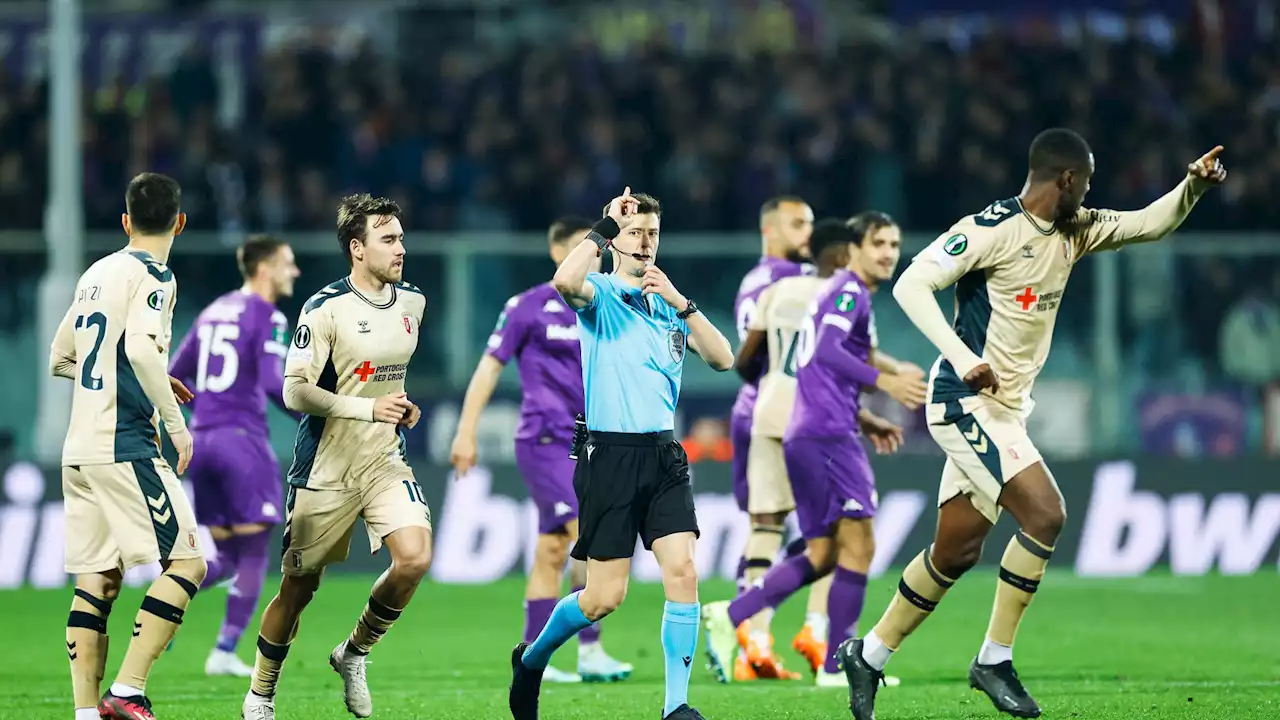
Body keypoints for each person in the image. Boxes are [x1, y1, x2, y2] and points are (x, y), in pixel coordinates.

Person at [840, 131, 1227, 720]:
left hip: (1007, 409)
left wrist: (1192, 187)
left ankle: (867, 654)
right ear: (1065, 179)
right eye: (1088, 181)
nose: (1092, 192)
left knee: (956, 549)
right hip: (963, 400)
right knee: (1047, 513)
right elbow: (913, 282)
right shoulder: (992, 228)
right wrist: (963, 356)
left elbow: (1150, 223)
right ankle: (993, 659)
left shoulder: (1077, 228)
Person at [508, 188, 735, 720]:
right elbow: (565, 281)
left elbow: (723, 359)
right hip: (608, 456)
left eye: (652, 233)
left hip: (663, 454)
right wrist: (605, 226)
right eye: (636, 233)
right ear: (616, 241)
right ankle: (534, 658)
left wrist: (682, 302)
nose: (646, 243)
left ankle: (676, 705)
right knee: (602, 597)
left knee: (682, 571)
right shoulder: (602, 294)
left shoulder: (669, 303)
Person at [703, 217, 926, 689]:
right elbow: (825, 352)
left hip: (812, 428)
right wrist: (882, 381)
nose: (888, 253)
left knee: (824, 551)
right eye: (878, 244)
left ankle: (732, 613)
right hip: (825, 435)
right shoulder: (849, 293)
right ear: (852, 250)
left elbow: (810, 365)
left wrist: (865, 417)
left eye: (895, 245)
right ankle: (839, 665)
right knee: (859, 544)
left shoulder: (831, 293)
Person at [241, 194, 430, 720]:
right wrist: (369, 410)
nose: (400, 248)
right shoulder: (324, 309)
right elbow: (294, 391)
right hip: (325, 467)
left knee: (414, 556)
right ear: (356, 247)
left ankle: (354, 653)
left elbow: (383, 377)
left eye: (400, 237)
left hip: (383, 461)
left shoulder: (412, 302)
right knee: (298, 589)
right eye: (388, 240)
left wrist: (399, 408)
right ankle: (261, 692)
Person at [49, 172, 207, 720]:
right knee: (188, 564)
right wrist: (176, 422)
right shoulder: (156, 275)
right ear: (180, 223)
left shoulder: (97, 272)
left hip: (78, 448)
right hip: (126, 444)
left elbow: (60, 355)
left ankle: (86, 714)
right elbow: (140, 349)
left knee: (97, 582)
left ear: (125, 222)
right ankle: (128, 690)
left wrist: (134, 378)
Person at [450, 216, 634, 684]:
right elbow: (490, 367)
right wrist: (465, 431)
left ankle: (536, 652)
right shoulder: (527, 307)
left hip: (596, 441)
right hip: (546, 439)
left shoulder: (605, 303)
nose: (594, 255)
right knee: (585, 536)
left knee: (554, 548)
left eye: (598, 249)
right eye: (583, 248)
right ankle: (586, 650)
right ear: (559, 254)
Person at [168, 234, 300, 677]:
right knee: (254, 551)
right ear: (264, 268)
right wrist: (316, 413)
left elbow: (173, 375)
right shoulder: (269, 316)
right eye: (287, 264)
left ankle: (160, 603)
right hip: (241, 441)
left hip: (202, 440)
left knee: (223, 558)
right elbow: (270, 382)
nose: (294, 272)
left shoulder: (212, 312)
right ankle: (223, 651)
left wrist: (203, 413)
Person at [727, 196, 818, 681]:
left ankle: (749, 640)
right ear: (770, 231)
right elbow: (760, 360)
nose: (808, 231)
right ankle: (807, 634)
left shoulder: (766, 282)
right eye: (797, 223)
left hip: (761, 413)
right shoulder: (778, 282)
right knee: (829, 531)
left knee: (768, 528)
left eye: (811, 223)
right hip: (782, 414)